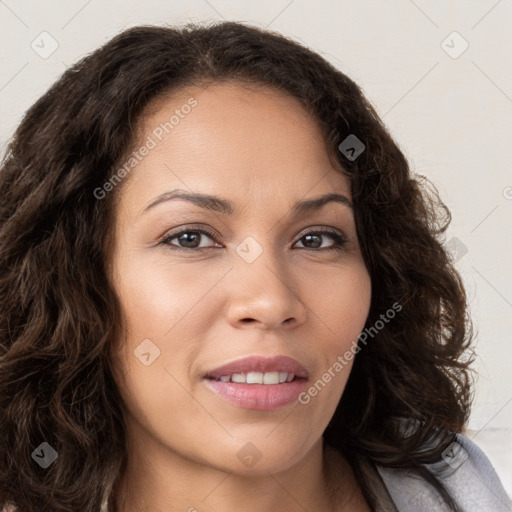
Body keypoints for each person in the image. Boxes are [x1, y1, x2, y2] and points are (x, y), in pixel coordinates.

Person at [0, 21, 510, 512]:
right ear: (73, 279)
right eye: (191, 237)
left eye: (317, 238)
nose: (270, 301)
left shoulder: (473, 483)